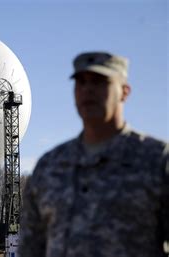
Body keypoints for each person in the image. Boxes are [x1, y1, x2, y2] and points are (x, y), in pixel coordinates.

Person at [18, 51, 168, 257]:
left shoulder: (156, 160)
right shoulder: (50, 166)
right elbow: (31, 249)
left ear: (125, 91)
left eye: (100, 82)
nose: (88, 89)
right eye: (81, 82)